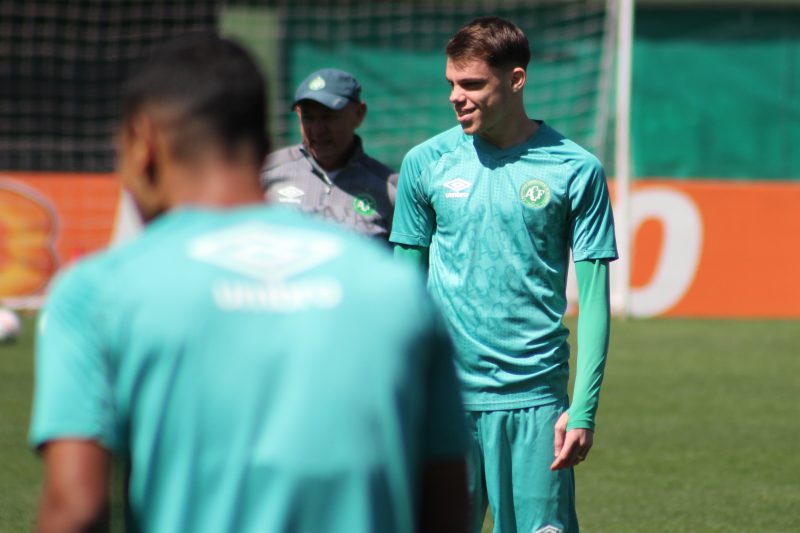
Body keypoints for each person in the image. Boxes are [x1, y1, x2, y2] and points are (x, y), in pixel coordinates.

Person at [29, 33, 469, 533]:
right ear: (262, 141)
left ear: (143, 143)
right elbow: (445, 506)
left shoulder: (97, 292)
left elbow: (75, 508)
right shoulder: (399, 291)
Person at [390, 17, 618, 533]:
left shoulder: (575, 169)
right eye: (451, 82)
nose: (456, 96)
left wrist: (582, 410)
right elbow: (402, 298)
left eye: (472, 84)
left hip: (536, 402)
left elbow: (596, 302)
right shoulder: (425, 163)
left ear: (516, 80)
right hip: (446, 404)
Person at [262, 68, 398, 241]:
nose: (318, 130)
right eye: (309, 118)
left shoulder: (391, 189)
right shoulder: (266, 174)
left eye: (328, 117)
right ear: (298, 115)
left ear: (359, 114)